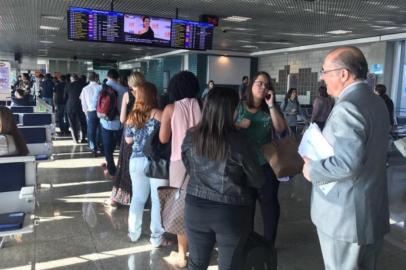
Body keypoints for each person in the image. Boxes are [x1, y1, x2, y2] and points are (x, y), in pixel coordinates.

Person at [302, 46, 390, 270]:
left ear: (343, 74)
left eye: (325, 71)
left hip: (345, 216)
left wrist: (312, 170)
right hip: (371, 209)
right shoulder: (376, 102)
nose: (322, 78)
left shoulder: (347, 106)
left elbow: (346, 163)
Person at [182, 87, 265, 270]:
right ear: (231, 111)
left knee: (196, 264)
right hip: (230, 212)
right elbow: (258, 180)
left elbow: (188, 166)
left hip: (195, 207)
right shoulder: (240, 141)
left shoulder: (191, 136)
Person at [234, 71, 286, 247]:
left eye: (266, 85)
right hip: (242, 166)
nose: (263, 87)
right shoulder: (239, 107)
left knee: (269, 205)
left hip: (265, 165)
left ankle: (269, 243)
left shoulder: (268, 109)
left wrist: (271, 105)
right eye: (259, 83)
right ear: (251, 85)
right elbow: (225, 128)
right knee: (246, 207)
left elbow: (280, 129)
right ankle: (247, 241)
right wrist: (238, 125)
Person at [159, 71, 202, 268]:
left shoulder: (170, 108)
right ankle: (201, 249)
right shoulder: (202, 105)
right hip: (203, 160)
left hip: (179, 161)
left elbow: (163, 138)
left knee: (181, 206)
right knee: (201, 203)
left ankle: (182, 254)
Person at [125, 82, 170, 247]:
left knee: (137, 198)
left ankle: (134, 233)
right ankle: (157, 238)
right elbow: (166, 137)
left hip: (136, 160)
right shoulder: (159, 114)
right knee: (157, 201)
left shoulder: (132, 116)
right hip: (155, 161)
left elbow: (128, 140)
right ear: (153, 95)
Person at [106, 71, 145, 207]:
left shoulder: (127, 95)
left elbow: (122, 119)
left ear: (130, 83)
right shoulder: (150, 95)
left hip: (130, 135)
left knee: (126, 166)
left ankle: (123, 196)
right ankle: (142, 196)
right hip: (146, 136)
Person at [98, 69, 128, 179]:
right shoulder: (124, 90)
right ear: (118, 77)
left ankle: (111, 170)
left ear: (107, 76)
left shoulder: (101, 88)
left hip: (106, 123)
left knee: (107, 148)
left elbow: (96, 106)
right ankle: (123, 168)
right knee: (122, 147)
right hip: (120, 124)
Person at [80, 72, 102, 156]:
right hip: (101, 112)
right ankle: (100, 145)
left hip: (91, 112)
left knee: (91, 131)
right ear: (96, 78)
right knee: (100, 129)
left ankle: (93, 149)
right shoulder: (100, 87)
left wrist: (86, 113)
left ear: (88, 79)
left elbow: (83, 103)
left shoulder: (85, 89)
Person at [64, 74, 87, 143]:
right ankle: (83, 138)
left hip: (70, 106)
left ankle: (75, 139)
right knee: (82, 123)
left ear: (72, 79)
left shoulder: (68, 85)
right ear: (77, 78)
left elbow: (65, 97)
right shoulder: (83, 85)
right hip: (81, 106)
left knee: (72, 123)